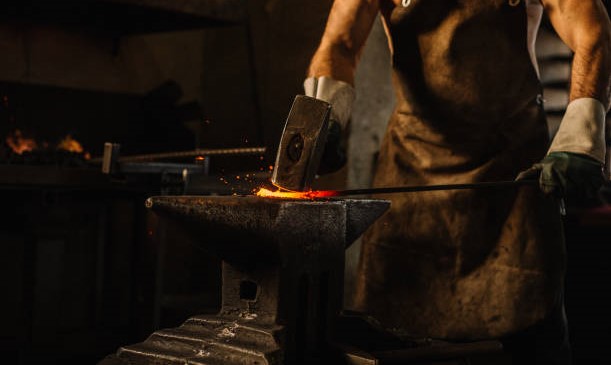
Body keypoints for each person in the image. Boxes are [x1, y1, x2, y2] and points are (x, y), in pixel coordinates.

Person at [304, 0, 611, 364]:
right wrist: (324, 117)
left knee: (532, 344)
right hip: (412, 179)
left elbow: (592, 31)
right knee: (394, 342)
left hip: (511, 184)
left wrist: (581, 137)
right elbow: (339, 42)